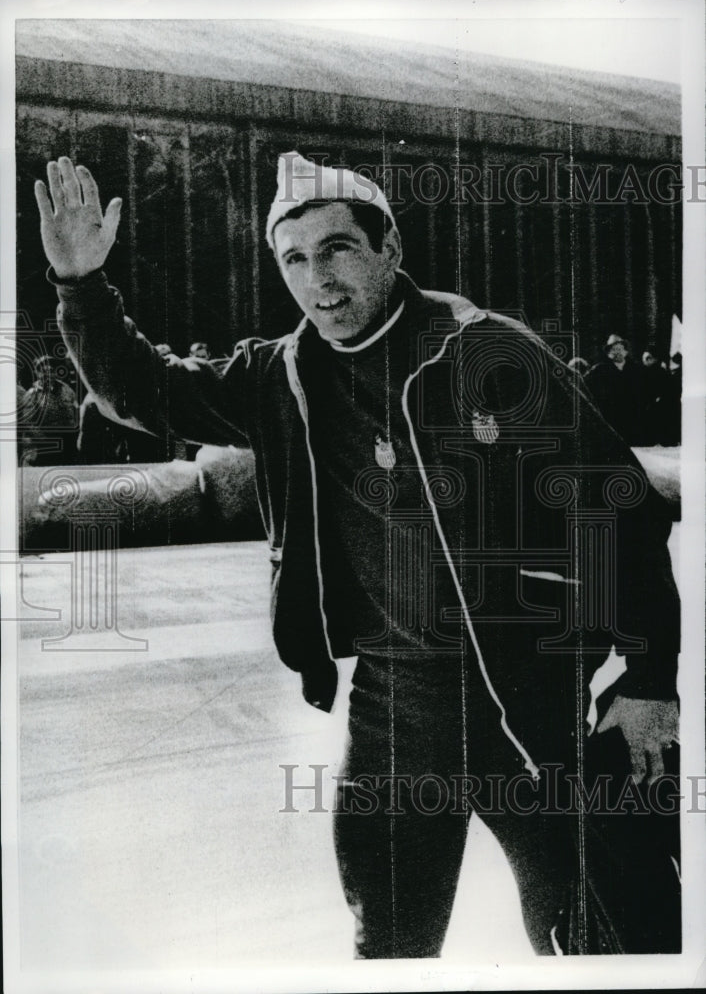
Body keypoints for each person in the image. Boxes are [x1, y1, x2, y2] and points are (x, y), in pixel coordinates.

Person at [34, 154, 680, 957]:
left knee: (602, 928)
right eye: (295, 259)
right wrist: (82, 285)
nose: (319, 280)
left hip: (529, 698)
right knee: (390, 938)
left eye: (338, 248)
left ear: (390, 247)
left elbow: (620, 505)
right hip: (394, 713)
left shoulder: (485, 353)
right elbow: (142, 388)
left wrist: (650, 678)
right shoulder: (281, 375)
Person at [584, 335, 647, 446]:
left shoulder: (636, 369)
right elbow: (586, 385)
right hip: (610, 416)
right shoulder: (600, 370)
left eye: (620, 348)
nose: (617, 352)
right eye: (613, 349)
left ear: (626, 351)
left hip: (632, 417)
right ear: (608, 353)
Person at [21, 353, 79, 464]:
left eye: (51, 370)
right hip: (45, 445)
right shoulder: (33, 395)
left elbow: (76, 411)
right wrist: (45, 441)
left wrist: (74, 433)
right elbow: (29, 423)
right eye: (43, 371)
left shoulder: (67, 389)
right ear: (37, 373)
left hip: (68, 442)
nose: (48, 374)